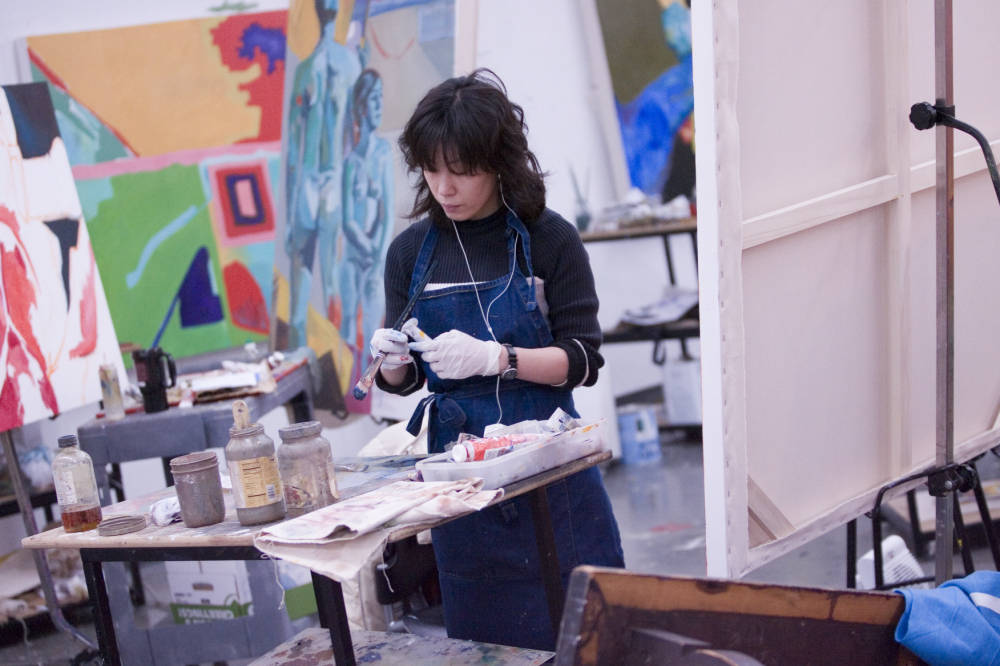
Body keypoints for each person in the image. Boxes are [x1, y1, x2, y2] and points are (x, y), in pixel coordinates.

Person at [369, 68, 624, 651]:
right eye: (432, 170)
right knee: (489, 646)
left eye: (461, 171)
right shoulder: (410, 254)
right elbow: (405, 382)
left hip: (550, 468)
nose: (445, 188)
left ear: (498, 161)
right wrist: (389, 362)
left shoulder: (548, 239)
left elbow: (582, 360)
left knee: (592, 634)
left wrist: (498, 358)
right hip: (462, 482)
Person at [338, 69, 393, 353]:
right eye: (373, 100)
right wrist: (366, 247)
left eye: (380, 98)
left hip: (375, 262)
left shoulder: (384, 155)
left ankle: (368, 387)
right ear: (360, 107)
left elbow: (388, 212)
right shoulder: (350, 163)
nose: (379, 106)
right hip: (352, 258)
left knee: (374, 333)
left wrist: (377, 254)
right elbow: (347, 220)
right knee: (348, 325)